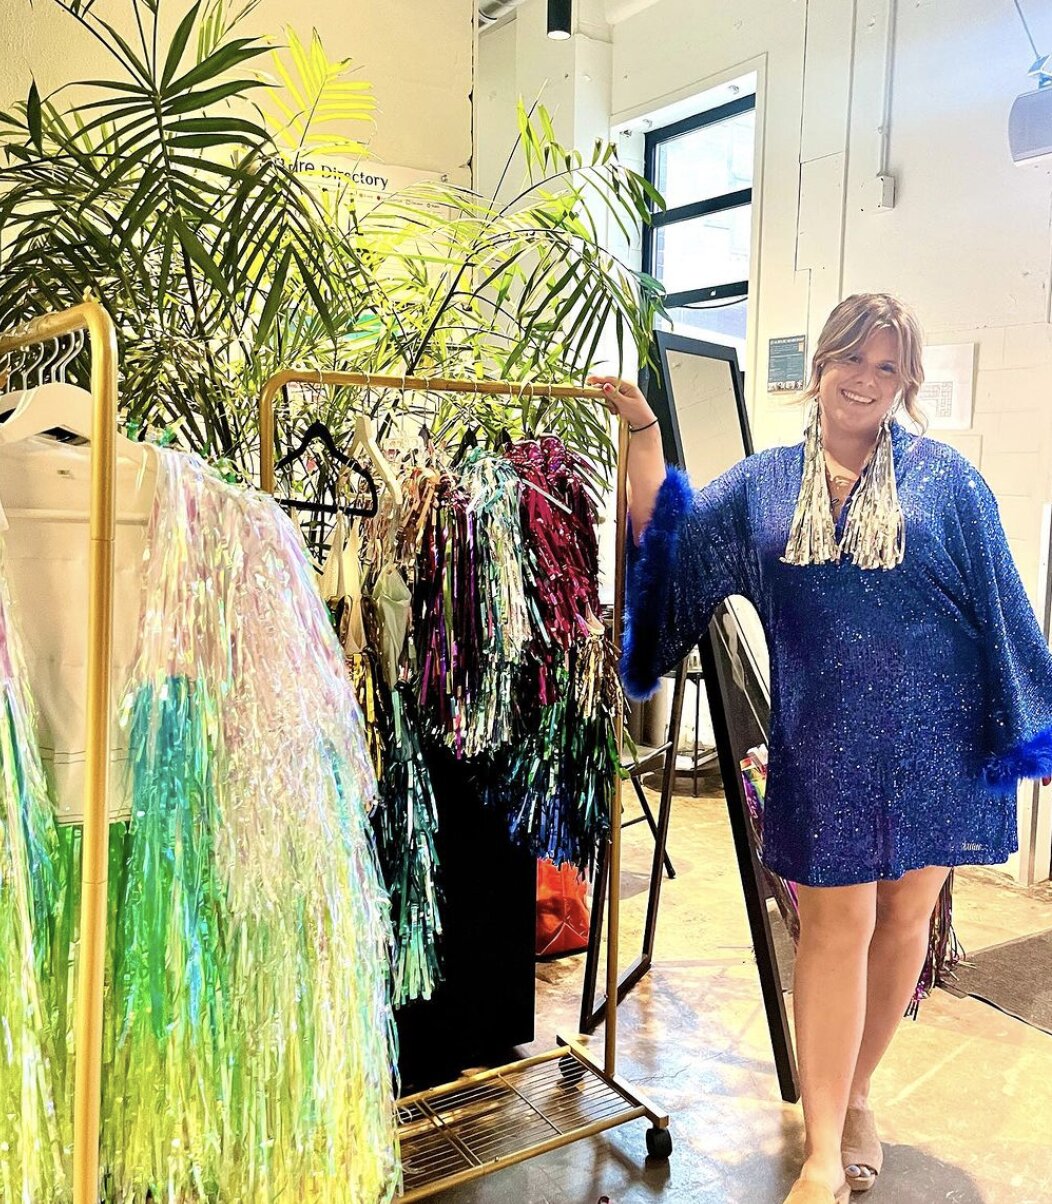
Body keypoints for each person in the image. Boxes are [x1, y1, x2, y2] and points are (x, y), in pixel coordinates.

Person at [590, 293, 1052, 1204]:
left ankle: (857, 1096)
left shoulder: (948, 482)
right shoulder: (764, 485)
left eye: (887, 367)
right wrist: (642, 431)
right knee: (835, 931)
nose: (866, 380)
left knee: (904, 923)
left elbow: (1003, 609)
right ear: (822, 364)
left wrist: (1022, 727)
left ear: (906, 381)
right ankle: (821, 1151)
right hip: (826, 742)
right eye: (852, 359)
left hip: (940, 739)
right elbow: (671, 546)